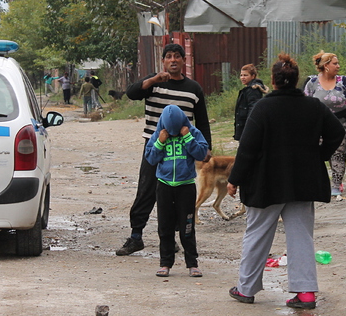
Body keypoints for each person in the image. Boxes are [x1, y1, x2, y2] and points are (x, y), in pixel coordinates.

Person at [227, 53, 345, 309]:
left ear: (274, 80)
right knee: (301, 236)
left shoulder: (263, 108)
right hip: (303, 183)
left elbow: (247, 149)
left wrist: (234, 180)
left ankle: (246, 289)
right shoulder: (312, 106)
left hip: (265, 183)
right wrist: (318, 157)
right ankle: (305, 294)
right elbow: (337, 132)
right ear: (295, 80)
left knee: (257, 234)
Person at [115, 43, 212, 256]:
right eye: (168, 56)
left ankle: (173, 239)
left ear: (184, 61)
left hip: (182, 152)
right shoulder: (153, 83)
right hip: (156, 148)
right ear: (163, 61)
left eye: (177, 56)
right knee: (146, 190)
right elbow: (131, 93)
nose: (173, 60)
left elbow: (202, 121)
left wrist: (207, 150)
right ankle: (136, 236)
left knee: (178, 193)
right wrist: (154, 79)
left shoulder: (193, 89)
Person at [144, 105, 209, 277]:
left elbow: (202, 154)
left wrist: (187, 137)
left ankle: (192, 263)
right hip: (164, 186)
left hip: (186, 186)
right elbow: (150, 158)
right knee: (164, 226)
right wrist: (160, 141)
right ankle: (165, 263)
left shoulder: (192, 132)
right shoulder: (159, 134)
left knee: (187, 226)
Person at [303, 51, 346, 197]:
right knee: (316, 154)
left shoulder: (343, 81)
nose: (338, 66)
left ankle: (336, 185)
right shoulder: (312, 83)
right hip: (318, 125)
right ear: (326, 66)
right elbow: (305, 103)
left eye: (338, 63)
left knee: (339, 154)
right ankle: (316, 183)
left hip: (340, 124)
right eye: (335, 63)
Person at [233, 64, 268, 141]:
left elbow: (253, 108)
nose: (242, 77)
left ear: (253, 76)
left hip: (248, 127)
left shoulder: (253, 90)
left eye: (245, 75)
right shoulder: (248, 89)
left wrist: (250, 127)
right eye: (241, 75)